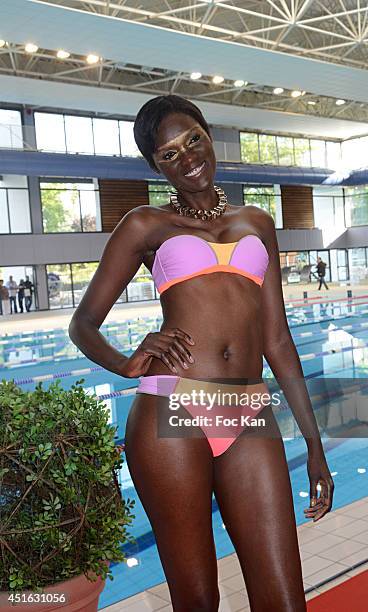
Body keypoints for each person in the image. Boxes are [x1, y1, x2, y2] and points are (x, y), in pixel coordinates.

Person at [69, 95, 334, 611]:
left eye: (193, 139)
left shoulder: (257, 222)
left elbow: (277, 338)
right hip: (173, 406)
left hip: (247, 410)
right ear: (155, 166)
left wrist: (315, 444)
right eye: (168, 154)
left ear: (209, 136)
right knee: (197, 600)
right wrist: (125, 360)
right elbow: (83, 325)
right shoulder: (145, 225)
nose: (187, 157)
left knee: (284, 599)